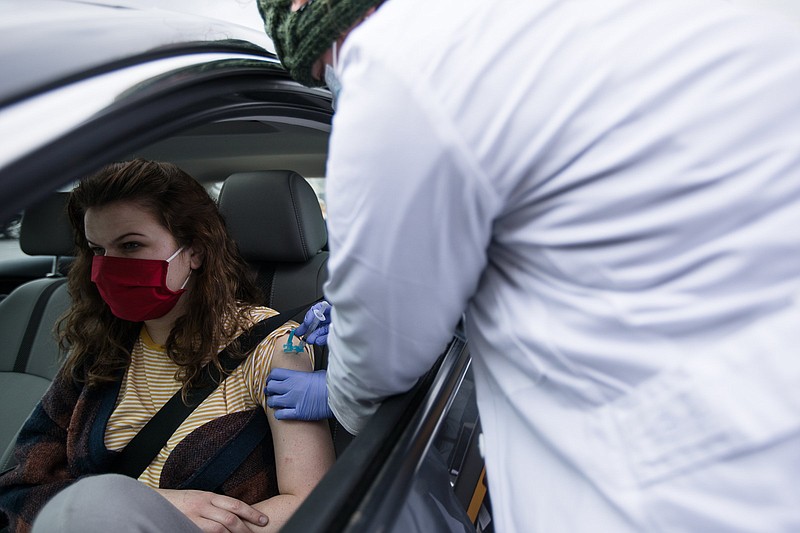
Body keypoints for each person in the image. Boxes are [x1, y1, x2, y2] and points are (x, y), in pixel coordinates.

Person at [259, 0, 800, 531]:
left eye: (319, 70)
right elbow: (566, 246)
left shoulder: (401, 65)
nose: (333, 82)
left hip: (682, 481)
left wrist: (335, 391)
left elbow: (383, 345)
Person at [0, 159, 335, 533]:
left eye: (131, 245)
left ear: (194, 250)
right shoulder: (101, 346)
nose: (109, 266)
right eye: (98, 249)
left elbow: (310, 502)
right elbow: (19, 489)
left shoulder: (274, 346)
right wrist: (141, 506)